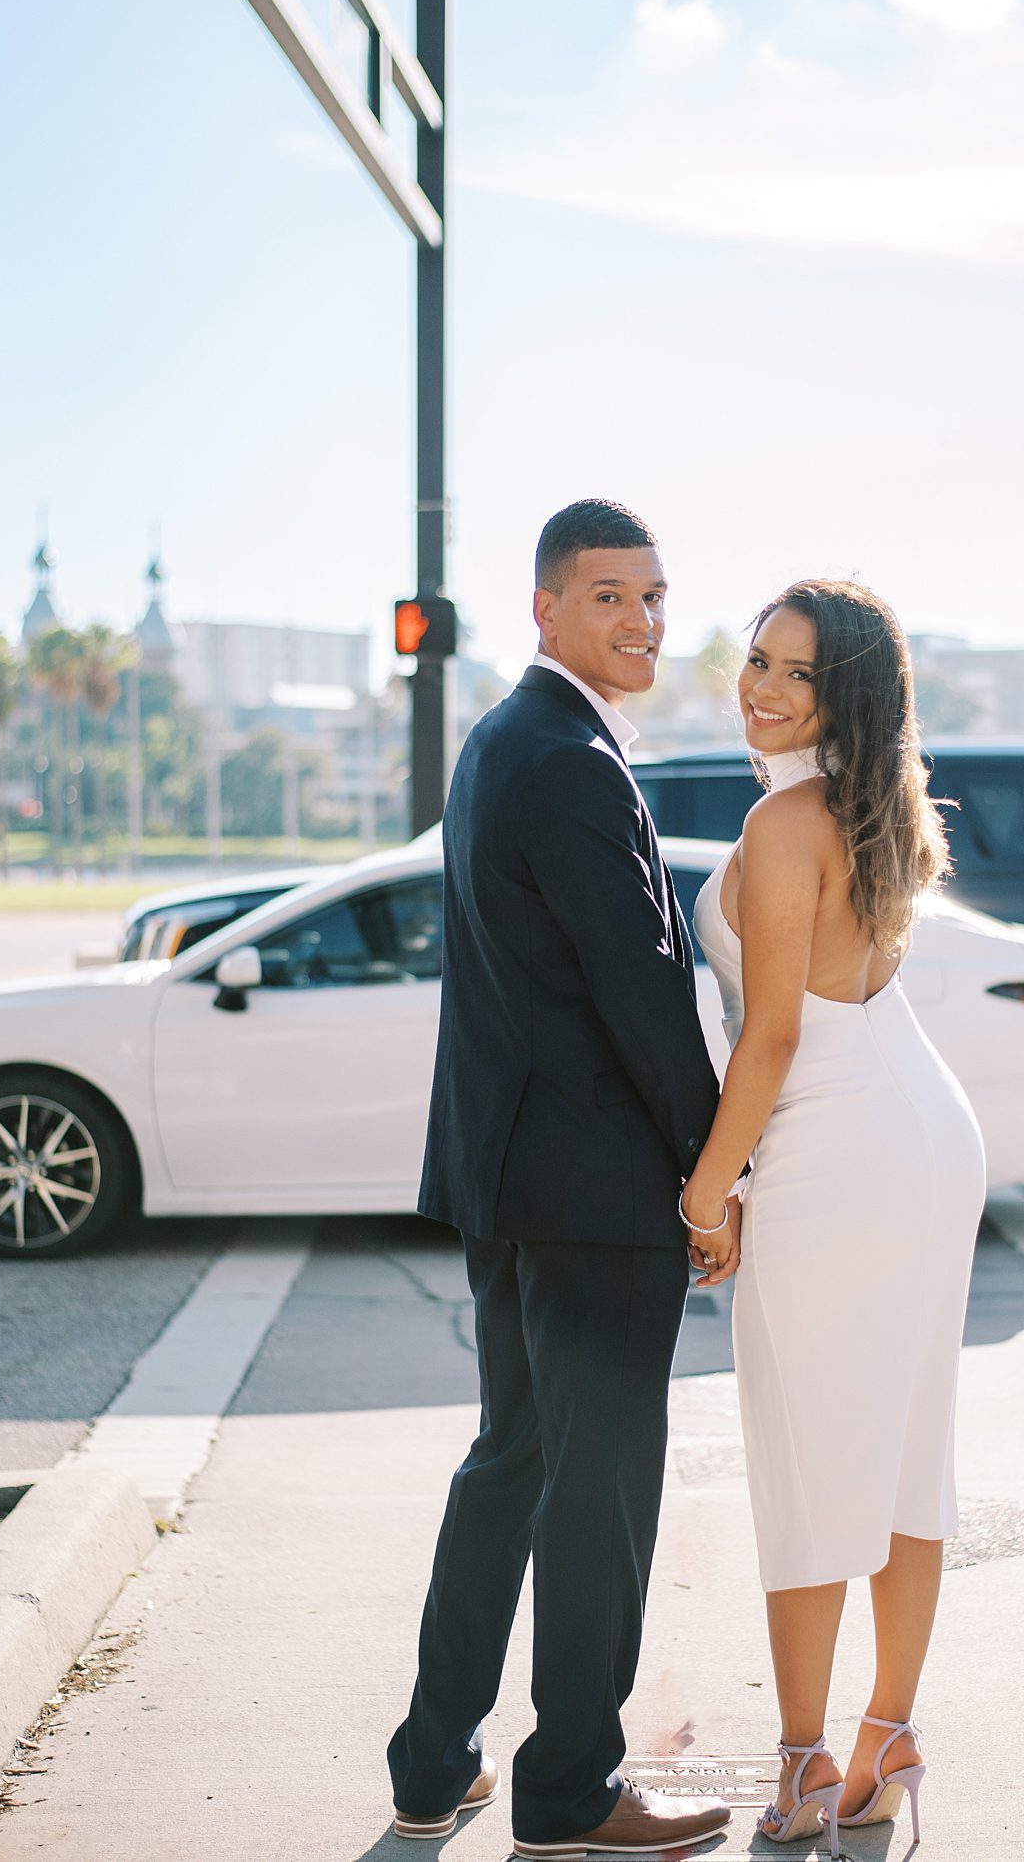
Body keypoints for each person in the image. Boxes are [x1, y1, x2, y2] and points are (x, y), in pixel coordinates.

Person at [388, 500, 733, 1858]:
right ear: (545, 607)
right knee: (595, 1488)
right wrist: (715, 1169)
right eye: (609, 596)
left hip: (512, 1178)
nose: (640, 619)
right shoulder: (575, 758)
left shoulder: (500, 741)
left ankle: (433, 1760)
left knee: (513, 1458)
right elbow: (645, 993)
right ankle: (574, 1784)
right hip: (592, 1192)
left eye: (653, 596)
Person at [680, 578, 986, 1853]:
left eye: (794, 671)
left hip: (838, 1140)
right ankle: (887, 1733)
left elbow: (776, 1033)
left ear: (842, 691)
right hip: (924, 1125)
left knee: (809, 1459)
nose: (758, 685)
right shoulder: (880, 808)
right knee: (907, 1452)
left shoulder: (784, 819)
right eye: (754, 658)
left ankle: (806, 1765)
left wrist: (708, 1193)